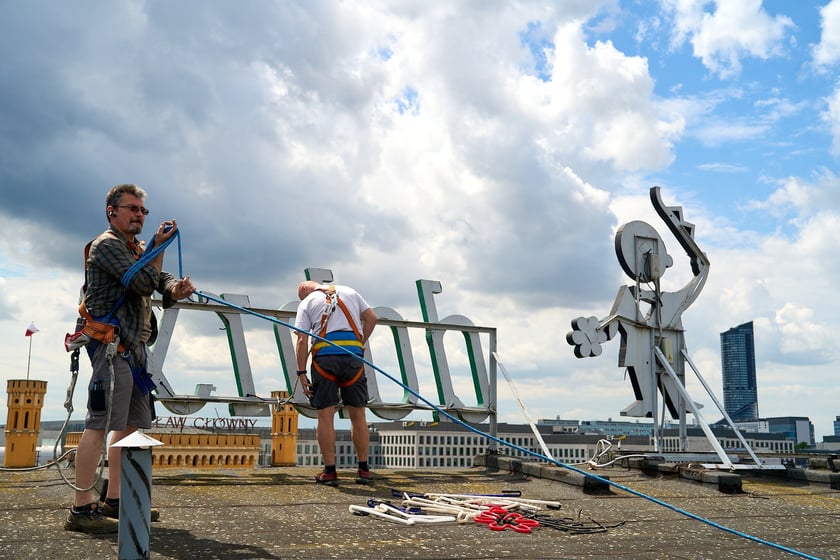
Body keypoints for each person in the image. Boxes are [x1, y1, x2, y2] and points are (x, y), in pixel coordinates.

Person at [65, 184, 195, 534]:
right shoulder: (106, 245)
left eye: (142, 210)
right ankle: (80, 508)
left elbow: (157, 279)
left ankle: (115, 500)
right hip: (111, 346)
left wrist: (173, 288)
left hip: (132, 348)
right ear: (112, 211)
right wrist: (160, 250)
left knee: (131, 425)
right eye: (133, 209)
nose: (139, 215)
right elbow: (140, 280)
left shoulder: (133, 247)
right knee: (99, 424)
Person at [295, 280, 378, 486]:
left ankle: (330, 472)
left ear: (305, 289)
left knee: (325, 415)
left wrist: (301, 373)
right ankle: (364, 470)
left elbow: (302, 340)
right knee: (358, 414)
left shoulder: (306, 303)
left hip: (325, 359)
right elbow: (372, 318)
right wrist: (360, 343)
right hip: (353, 356)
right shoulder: (350, 291)